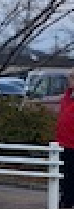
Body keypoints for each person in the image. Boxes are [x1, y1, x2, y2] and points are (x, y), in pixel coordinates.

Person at [57, 67, 74, 208]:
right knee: (65, 176)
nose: (69, 80)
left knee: (71, 176)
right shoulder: (67, 97)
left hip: (73, 144)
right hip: (64, 143)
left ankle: (68, 200)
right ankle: (66, 200)